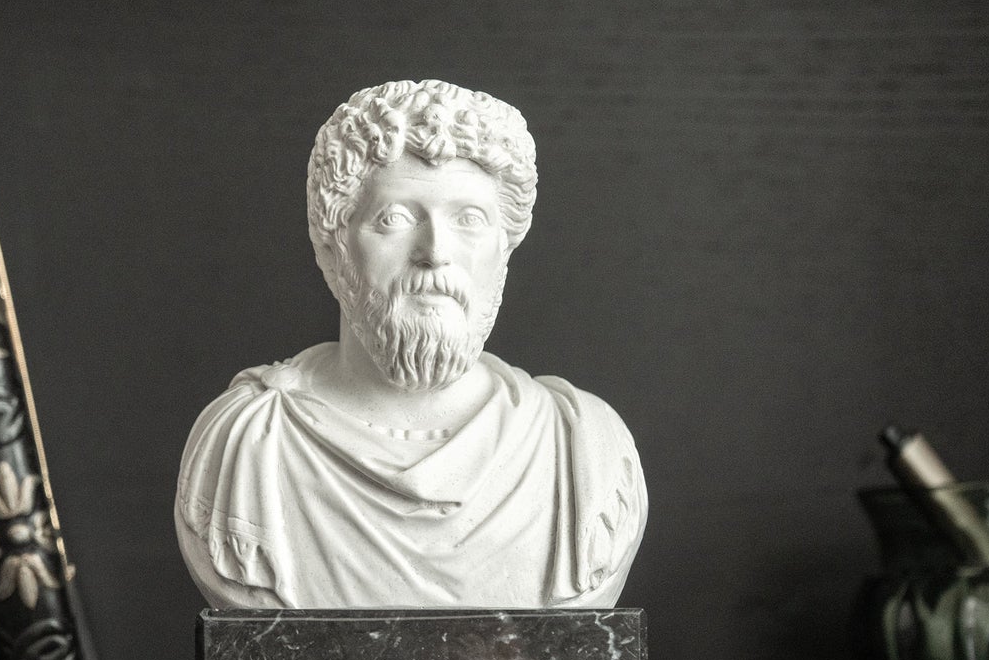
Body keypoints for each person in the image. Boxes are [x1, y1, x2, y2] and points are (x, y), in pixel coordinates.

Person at [176, 79, 646, 609]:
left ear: (504, 249)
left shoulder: (582, 450)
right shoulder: (247, 444)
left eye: (469, 219)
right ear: (333, 247)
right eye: (395, 218)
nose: (435, 252)